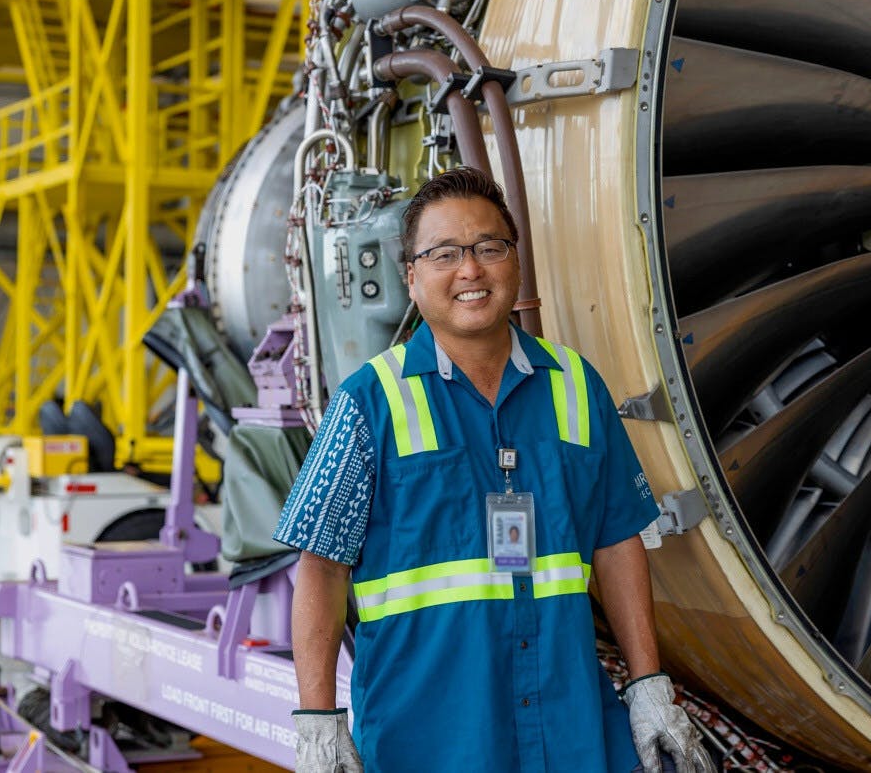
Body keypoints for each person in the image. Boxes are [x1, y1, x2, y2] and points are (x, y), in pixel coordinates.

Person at [274, 167, 714, 773]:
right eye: (444, 254)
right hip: (427, 741)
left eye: (489, 248)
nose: (470, 270)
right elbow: (321, 567)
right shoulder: (368, 402)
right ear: (411, 276)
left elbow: (617, 542)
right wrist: (319, 720)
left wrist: (647, 685)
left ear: (516, 261)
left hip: (568, 730)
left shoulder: (577, 386)